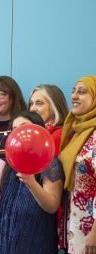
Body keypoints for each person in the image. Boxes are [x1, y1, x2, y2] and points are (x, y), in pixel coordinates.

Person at [0, 111, 64, 254]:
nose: (19, 133)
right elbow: (3, 209)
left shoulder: (50, 162)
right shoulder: (10, 165)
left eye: (24, 127)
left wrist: (31, 182)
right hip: (7, 243)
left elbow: (52, 205)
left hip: (36, 240)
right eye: (14, 130)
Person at [58, 75, 96, 254]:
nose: (74, 96)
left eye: (82, 92)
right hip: (75, 224)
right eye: (73, 91)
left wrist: (95, 232)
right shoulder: (75, 131)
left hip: (91, 227)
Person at [28, 84, 68, 156]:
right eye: (31, 104)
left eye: (39, 103)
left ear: (54, 107)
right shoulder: (36, 133)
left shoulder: (58, 135)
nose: (32, 109)